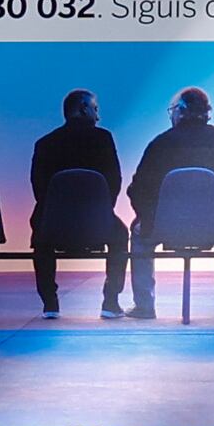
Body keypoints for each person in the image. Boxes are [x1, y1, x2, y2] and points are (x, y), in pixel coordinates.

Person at [121, 85, 214, 317]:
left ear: (180, 112)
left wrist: (150, 218)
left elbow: (138, 189)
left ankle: (145, 305)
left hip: (166, 227)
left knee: (140, 238)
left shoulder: (160, 144)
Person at [26, 88, 131, 317]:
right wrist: (102, 213)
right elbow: (115, 180)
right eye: (95, 109)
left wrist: (56, 214)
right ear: (83, 109)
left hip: (55, 225)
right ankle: (110, 302)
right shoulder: (103, 139)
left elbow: (38, 188)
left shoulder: (45, 143)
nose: (98, 116)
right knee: (121, 235)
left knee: (40, 234)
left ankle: (50, 303)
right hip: (97, 222)